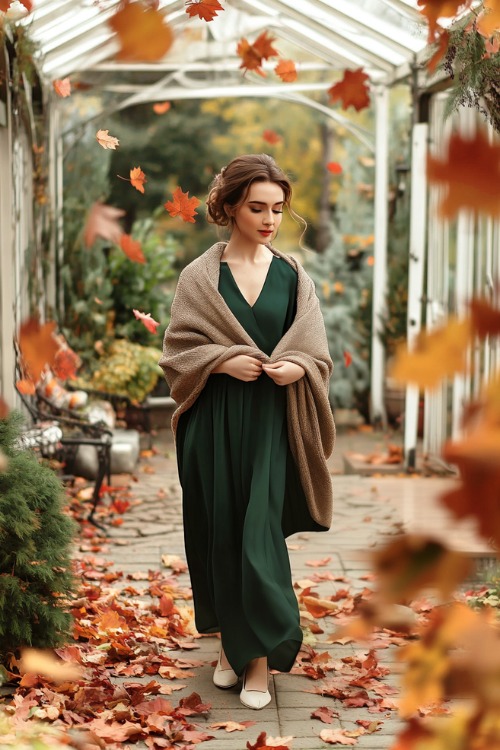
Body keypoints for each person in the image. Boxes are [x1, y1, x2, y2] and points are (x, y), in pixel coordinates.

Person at [159, 153, 335, 710]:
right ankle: (233, 649)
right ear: (230, 206)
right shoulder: (199, 276)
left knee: (258, 536)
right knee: (223, 534)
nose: (269, 219)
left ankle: (259, 663)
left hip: (271, 425)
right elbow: (178, 353)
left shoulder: (292, 274)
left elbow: (315, 350)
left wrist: (298, 368)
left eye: (278, 209)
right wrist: (221, 362)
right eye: (257, 207)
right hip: (214, 425)